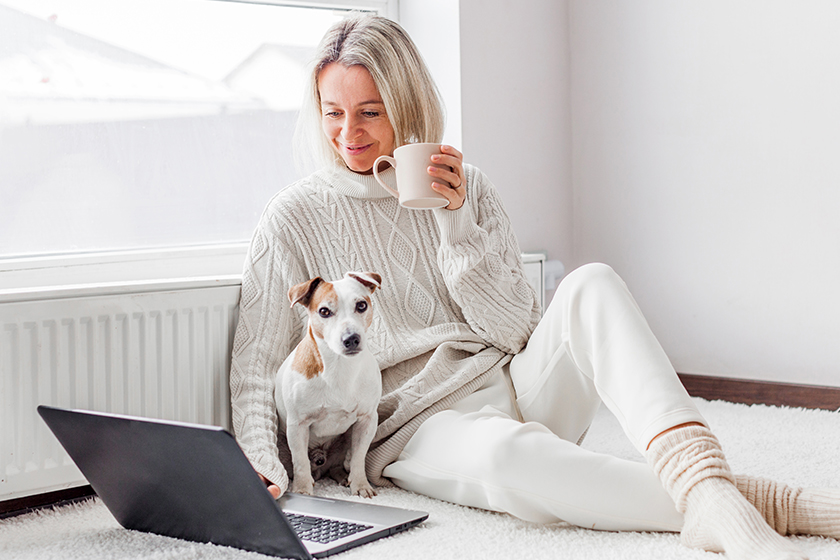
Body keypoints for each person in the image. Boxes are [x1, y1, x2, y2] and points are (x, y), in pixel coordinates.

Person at [230, 13, 839, 560]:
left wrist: (456, 225)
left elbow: (517, 329)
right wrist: (261, 461)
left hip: (513, 381)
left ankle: (705, 486)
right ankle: (759, 504)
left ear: (405, 103)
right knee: (509, 461)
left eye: (369, 111)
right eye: (332, 112)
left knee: (591, 283)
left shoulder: (467, 187)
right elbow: (257, 362)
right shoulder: (294, 216)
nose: (348, 134)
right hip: (413, 424)